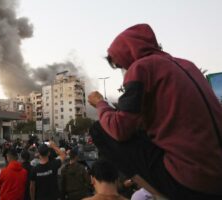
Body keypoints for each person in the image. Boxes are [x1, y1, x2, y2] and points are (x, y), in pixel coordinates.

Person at [88, 23, 222, 199]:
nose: (123, 70)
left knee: (100, 129)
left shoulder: (140, 68)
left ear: (128, 54)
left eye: (121, 65)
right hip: (216, 174)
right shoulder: (188, 65)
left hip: (191, 180)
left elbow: (119, 129)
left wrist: (100, 104)